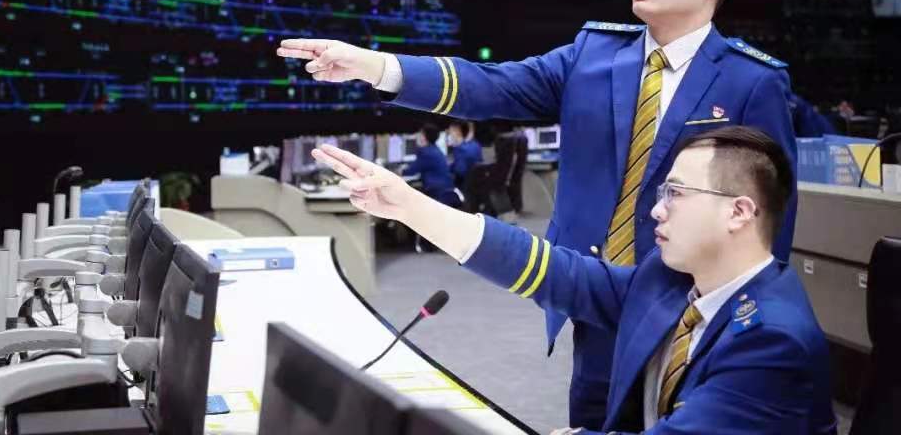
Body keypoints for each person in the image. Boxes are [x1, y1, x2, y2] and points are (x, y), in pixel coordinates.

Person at [277, 0, 799, 429]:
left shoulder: (750, 80)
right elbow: (491, 85)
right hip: (588, 293)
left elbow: (770, 219)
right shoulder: (594, 55)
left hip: (687, 305)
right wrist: (373, 66)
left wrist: (737, 321)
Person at [312, 126, 837, 435]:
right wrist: (408, 206)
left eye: (676, 193)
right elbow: (553, 272)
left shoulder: (771, 341)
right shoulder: (671, 281)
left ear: (739, 212)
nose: (657, 210)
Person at [403, 123, 458, 209]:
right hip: (446, 192)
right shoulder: (436, 149)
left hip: (436, 193)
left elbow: (410, 171)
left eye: (420, 134)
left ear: (424, 137)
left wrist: (397, 171)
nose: (418, 136)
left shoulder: (425, 152)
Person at [447, 120, 483, 188]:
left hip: (464, 185)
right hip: (477, 182)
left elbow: (460, 171)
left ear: (457, 132)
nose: (449, 134)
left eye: (451, 131)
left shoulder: (460, 149)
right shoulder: (476, 144)